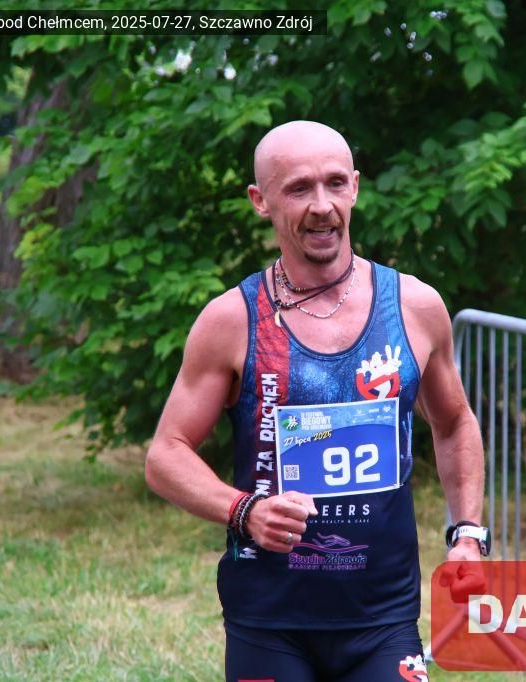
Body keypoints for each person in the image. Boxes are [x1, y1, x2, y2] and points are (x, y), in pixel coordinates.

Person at [145, 120, 486, 682]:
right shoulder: (232, 320)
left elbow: (453, 423)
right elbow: (166, 454)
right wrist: (245, 511)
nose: (322, 206)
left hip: (384, 614)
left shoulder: (415, 306)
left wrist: (467, 534)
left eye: (334, 183)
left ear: (355, 187)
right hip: (269, 618)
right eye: (299, 188)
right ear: (261, 201)